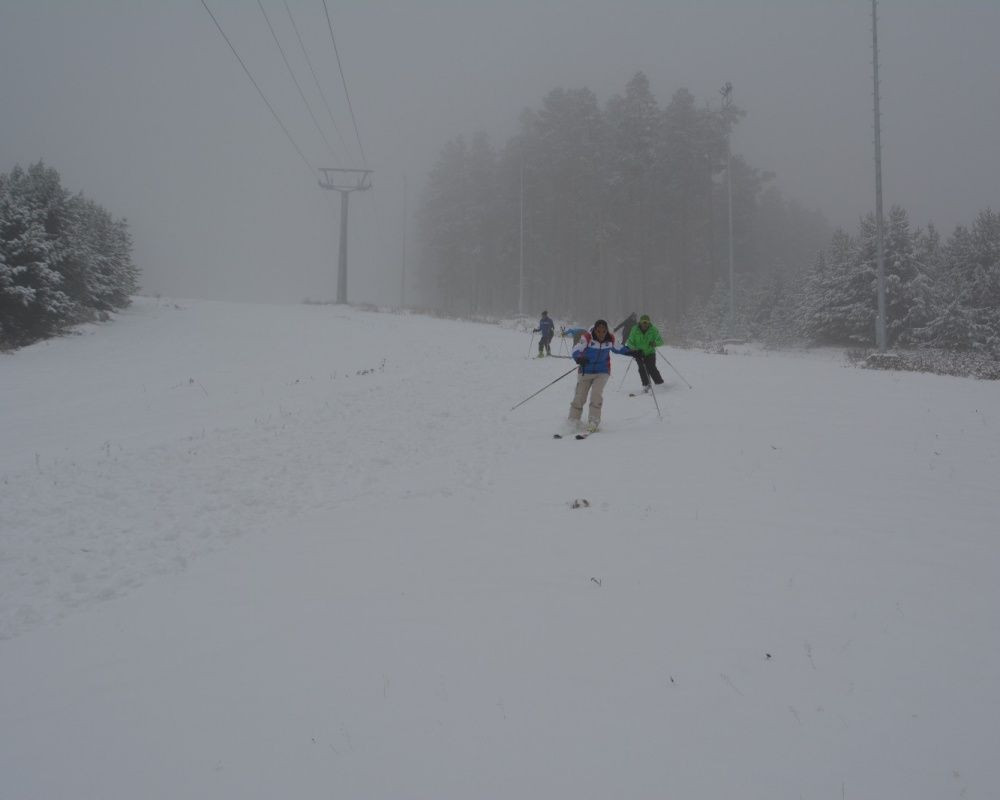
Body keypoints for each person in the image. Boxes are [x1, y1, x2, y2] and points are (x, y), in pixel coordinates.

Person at [567, 319, 632, 432]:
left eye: (604, 331)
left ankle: (593, 421)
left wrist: (634, 352)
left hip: (602, 371)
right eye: (599, 331)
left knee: (596, 394)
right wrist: (579, 358)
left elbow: (619, 348)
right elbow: (576, 349)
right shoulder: (587, 337)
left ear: (606, 330)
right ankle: (573, 420)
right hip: (585, 372)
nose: (601, 334)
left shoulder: (610, 339)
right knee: (580, 396)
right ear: (595, 330)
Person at [625, 314, 665, 393]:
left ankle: (660, 384)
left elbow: (661, 341)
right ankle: (646, 385)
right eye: (643, 322)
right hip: (639, 353)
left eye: (646, 322)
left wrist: (655, 343)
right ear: (640, 322)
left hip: (650, 353)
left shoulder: (653, 330)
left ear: (649, 323)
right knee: (642, 369)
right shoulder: (634, 329)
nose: (645, 324)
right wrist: (634, 348)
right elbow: (629, 342)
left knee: (651, 368)